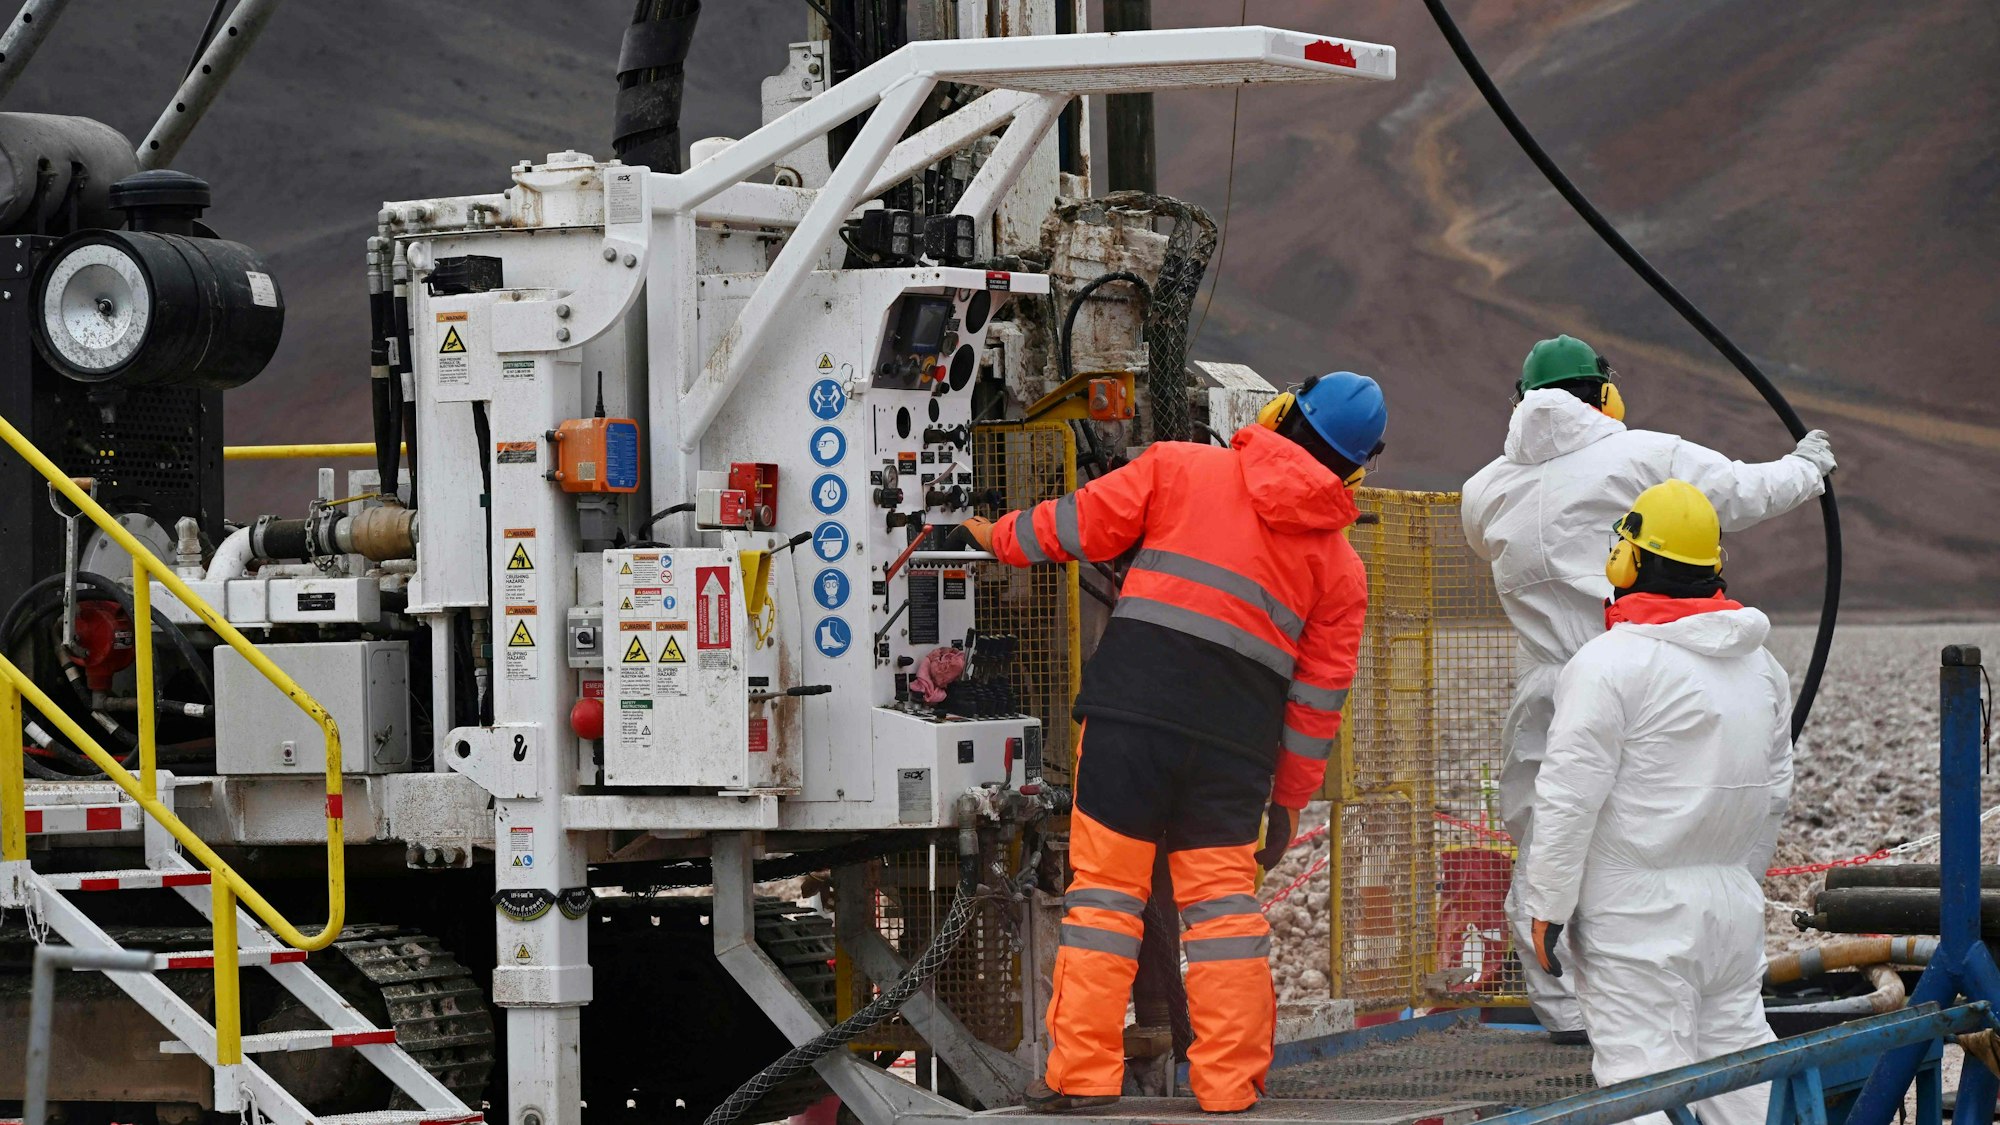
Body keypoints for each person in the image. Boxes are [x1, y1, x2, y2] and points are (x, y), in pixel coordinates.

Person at [959, 372, 1385, 1113]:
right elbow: (1316, 707)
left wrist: (993, 535)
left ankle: (1081, 1076)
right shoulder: (1342, 569)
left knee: (1102, 902)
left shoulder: (1181, 467)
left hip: (1129, 726)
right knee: (1224, 919)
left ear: (1282, 411)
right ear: (1355, 469)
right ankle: (1228, 1085)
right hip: (1232, 758)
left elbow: (1074, 525)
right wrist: (1286, 801)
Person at [1460, 334, 1833, 1040]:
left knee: (1549, 838)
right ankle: (1661, 996)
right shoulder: (1643, 457)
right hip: (1640, 673)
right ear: (1601, 392)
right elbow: (1737, 493)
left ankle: (1566, 1008)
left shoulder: (1486, 488)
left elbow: (1490, 537)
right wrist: (1806, 469)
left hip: (1544, 688)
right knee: (1659, 840)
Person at [1519, 479, 1793, 1125]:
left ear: (1626, 559)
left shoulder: (1608, 665)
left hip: (1637, 920)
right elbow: (1775, 795)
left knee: (1639, 1084)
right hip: (1730, 913)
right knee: (1741, 1073)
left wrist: (1547, 907)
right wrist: (1738, 882)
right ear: (1714, 565)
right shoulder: (1763, 668)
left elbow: (1567, 798)